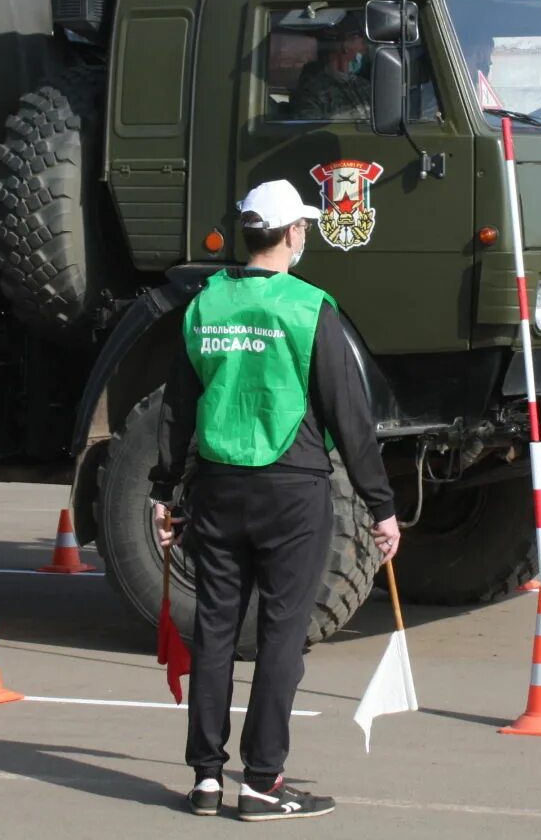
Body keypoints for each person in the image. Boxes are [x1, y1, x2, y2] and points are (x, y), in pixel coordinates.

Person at [150, 179, 400, 821]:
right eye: (304, 229)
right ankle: (262, 781)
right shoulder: (310, 307)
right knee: (282, 634)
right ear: (291, 234)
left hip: (216, 485)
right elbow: (350, 416)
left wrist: (162, 490)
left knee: (214, 629)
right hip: (291, 491)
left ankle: (206, 777)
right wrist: (380, 506)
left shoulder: (205, 305)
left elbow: (179, 406)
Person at [289, 24, 370, 120]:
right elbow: (310, 130)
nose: (363, 47)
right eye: (360, 39)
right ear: (346, 45)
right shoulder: (312, 92)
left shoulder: (363, 85)